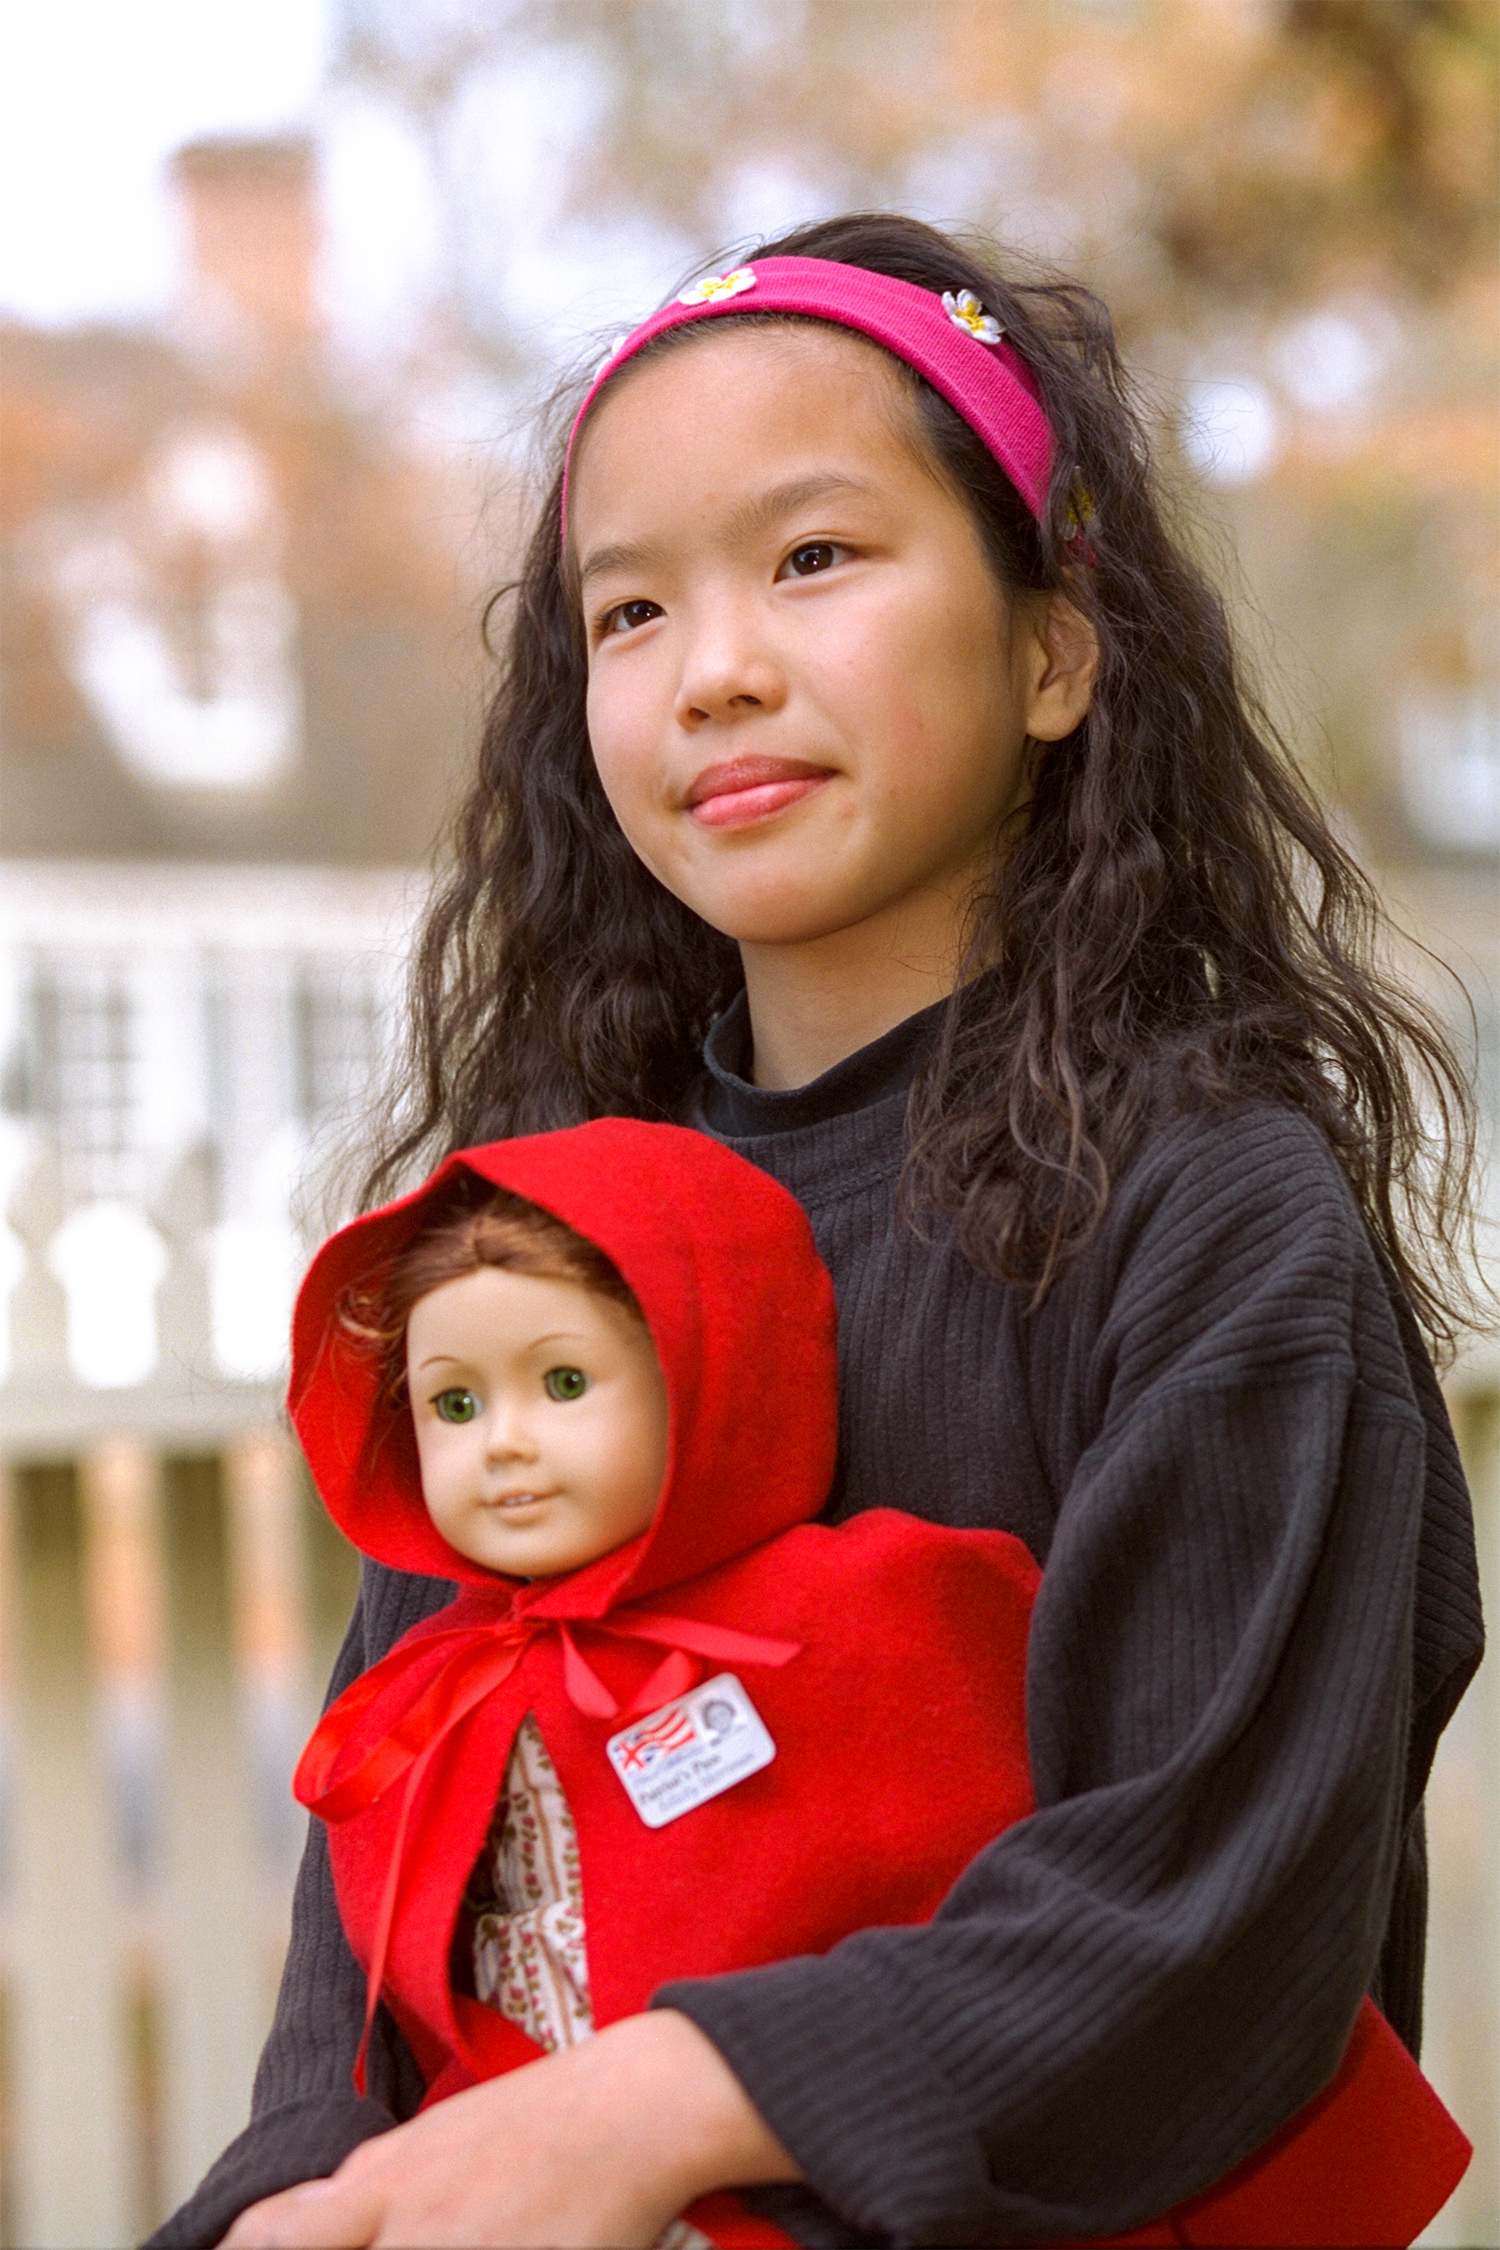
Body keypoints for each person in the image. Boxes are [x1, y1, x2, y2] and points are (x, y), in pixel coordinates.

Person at [161, 213, 1483, 2248]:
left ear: (1055, 651)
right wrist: (290, 2190)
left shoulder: (1211, 1215)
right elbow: (406, 1807)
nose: (718, 671)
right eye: (626, 615)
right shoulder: (545, 1216)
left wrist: (658, 2110)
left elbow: (1218, 1903)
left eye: (813, 559)